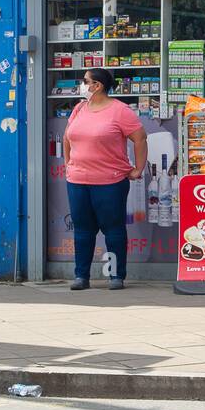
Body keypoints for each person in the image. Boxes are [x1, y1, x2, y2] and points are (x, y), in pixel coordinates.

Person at [63, 68, 147, 291]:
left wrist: (138, 169)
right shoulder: (80, 108)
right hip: (78, 180)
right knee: (82, 230)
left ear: (97, 86)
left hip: (110, 182)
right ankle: (81, 276)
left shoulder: (120, 110)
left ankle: (116, 276)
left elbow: (140, 138)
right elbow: (67, 138)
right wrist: (68, 164)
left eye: (85, 81)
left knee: (113, 229)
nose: (82, 85)